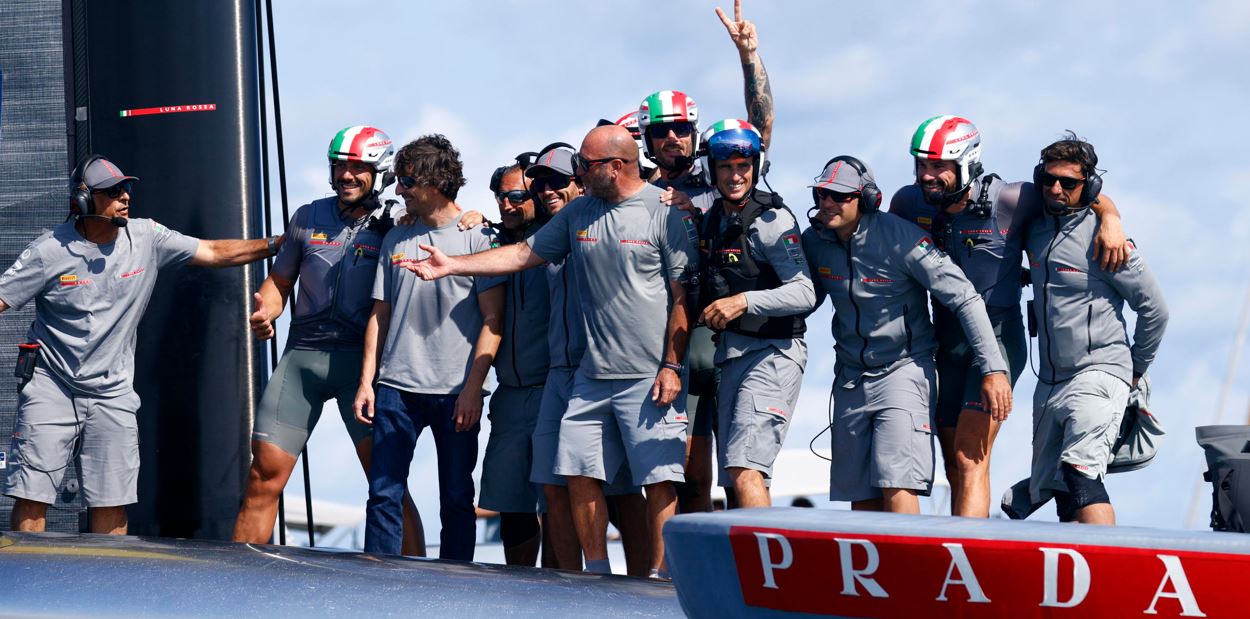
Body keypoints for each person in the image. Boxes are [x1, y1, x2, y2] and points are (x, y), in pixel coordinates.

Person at [405, 125, 696, 579]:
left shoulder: (664, 212)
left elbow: (681, 298)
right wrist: (453, 266)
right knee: (574, 474)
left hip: (649, 376)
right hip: (588, 376)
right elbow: (523, 253)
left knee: (659, 482)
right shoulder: (579, 213)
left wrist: (672, 365)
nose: (579, 173)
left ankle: (662, 582)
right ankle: (596, 576)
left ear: (615, 167)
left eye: (585, 165)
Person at [0, 155, 279, 534]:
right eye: (112, 192)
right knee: (31, 498)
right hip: (52, 386)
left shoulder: (146, 236)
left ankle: (108, 590)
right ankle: (28, 589)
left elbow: (213, 252)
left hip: (112, 394)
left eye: (126, 188)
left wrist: (279, 243)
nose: (125, 197)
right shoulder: (49, 250)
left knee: (112, 503)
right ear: (82, 201)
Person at [888, 115, 1130, 517]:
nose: (928, 176)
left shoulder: (1012, 200)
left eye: (938, 167)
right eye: (922, 165)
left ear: (966, 162)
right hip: (945, 341)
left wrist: (1112, 218)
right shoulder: (908, 202)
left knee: (970, 458)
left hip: (998, 340)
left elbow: (1081, 192)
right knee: (954, 465)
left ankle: (966, 556)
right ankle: (962, 547)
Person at [232, 126, 424, 555]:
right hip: (302, 360)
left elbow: (447, 221)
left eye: (358, 167)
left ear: (381, 172)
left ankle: (419, 591)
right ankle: (235, 591)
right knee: (263, 478)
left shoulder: (398, 221)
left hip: (363, 366)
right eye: (340, 166)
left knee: (387, 484)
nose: (347, 176)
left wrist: (468, 218)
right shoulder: (307, 216)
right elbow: (279, 283)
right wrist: (264, 311)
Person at [800, 155, 1012, 514]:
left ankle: (913, 571)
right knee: (862, 497)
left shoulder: (905, 240)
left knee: (897, 485)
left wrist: (993, 369)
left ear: (866, 199)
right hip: (849, 378)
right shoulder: (815, 240)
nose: (828, 203)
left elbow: (965, 298)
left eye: (840, 196)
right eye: (822, 194)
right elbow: (802, 297)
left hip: (903, 371)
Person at [635, 0, 777, 514]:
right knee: (689, 474)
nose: (673, 137)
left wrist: (749, 58)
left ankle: (754, 578)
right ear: (646, 139)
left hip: (735, 333)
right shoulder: (639, 191)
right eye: (660, 130)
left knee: (742, 473)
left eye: (681, 128)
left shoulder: (720, 169)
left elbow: (760, 128)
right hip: (677, 336)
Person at [352, 134, 505, 560]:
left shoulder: (478, 238)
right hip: (396, 388)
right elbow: (379, 315)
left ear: (435, 182)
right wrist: (368, 382)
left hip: (457, 390)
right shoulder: (395, 239)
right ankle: (376, 585)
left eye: (406, 181)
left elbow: (494, 320)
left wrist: (474, 387)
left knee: (457, 498)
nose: (398, 189)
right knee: (383, 494)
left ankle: (455, 590)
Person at [1025, 133, 1168, 525]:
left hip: (1100, 372)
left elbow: (1155, 309)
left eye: (1068, 183)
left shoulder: (1107, 240)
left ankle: (1110, 572)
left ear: (1088, 187)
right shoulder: (1035, 228)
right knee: (1060, 491)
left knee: (1081, 474)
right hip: (1051, 382)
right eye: (1049, 179)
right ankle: (1077, 578)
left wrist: (1134, 368)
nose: (1056, 188)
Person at [694, 120, 814, 508]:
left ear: (756, 166)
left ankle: (765, 568)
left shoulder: (772, 220)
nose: (735, 175)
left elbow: (804, 291)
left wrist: (743, 302)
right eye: (725, 167)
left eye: (743, 166)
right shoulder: (712, 218)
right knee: (738, 469)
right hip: (732, 356)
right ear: (712, 170)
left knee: (745, 467)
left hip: (773, 353)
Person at [477, 159, 549, 566]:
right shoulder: (490, 240)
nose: (508, 204)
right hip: (509, 394)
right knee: (511, 502)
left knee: (556, 501)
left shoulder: (556, 238)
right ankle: (520, 591)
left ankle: (565, 591)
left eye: (518, 196)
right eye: (501, 196)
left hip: (554, 388)